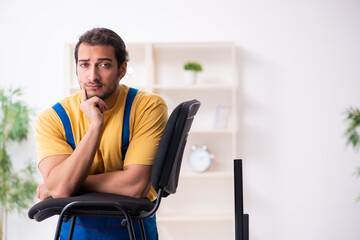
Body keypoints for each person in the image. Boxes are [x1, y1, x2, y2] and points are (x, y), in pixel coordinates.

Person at [35, 27, 168, 239]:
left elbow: (136, 186)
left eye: (104, 65)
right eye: (84, 65)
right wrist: (95, 126)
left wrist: (66, 182)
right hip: (76, 231)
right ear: (77, 69)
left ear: (122, 69)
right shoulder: (52, 119)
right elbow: (60, 187)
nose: (93, 75)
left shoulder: (147, 107)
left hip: (133, 229)